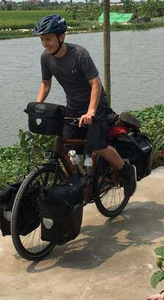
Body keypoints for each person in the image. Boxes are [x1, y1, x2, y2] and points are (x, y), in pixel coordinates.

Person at [33, 14, 137, 197]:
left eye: (48, 39)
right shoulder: (46, 58)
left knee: (97, 145)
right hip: (72, 109)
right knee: (65, 148)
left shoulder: (79, 54)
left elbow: (95, 84)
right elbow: (45, 84)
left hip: (97, 108)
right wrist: (37, 106)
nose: (45, 43)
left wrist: (91, 111)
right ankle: (78, 183)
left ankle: (126, 170)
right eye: (42, 39)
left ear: (61, 37)